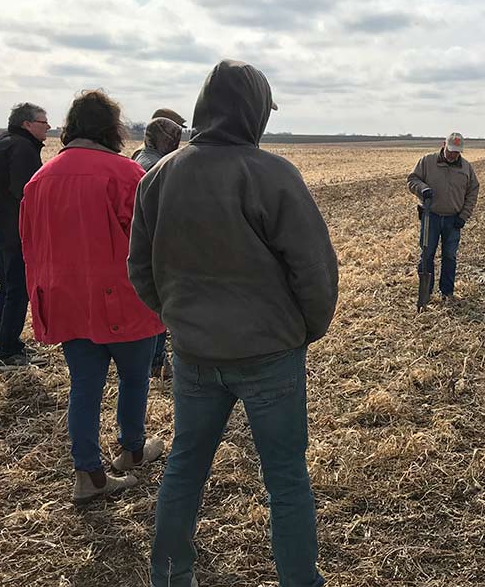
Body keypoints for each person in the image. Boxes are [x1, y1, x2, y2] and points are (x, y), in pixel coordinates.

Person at [129, 60, 338, 587]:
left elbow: (140, 268)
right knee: (286, 479)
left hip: (194, 356)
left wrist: (177, 320)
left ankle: (171, 576)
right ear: (252, 114)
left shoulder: (159, 176)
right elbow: (315, 271)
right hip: (270, 356)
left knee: (184, 468)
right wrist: (303, 331)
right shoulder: (272, 174)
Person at [19, 90, 166, 504]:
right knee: (134, 379)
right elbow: (149, 243)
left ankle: (89, 474)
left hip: (68, 301)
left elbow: (31, 245)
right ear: (112, 129)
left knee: (84, 386)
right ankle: (132, 450)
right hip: (124, 299)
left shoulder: (40, 180)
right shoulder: (126, 175)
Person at [0, 103, 50, 370]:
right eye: (44, 122)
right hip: (12, 229)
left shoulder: (3, 142)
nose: (48, 127)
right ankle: (8, 352)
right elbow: (27, 192)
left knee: (8, 288)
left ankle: (2, 343)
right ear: (27, 124)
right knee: (18, 290)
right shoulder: (22, 148)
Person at [133, 117, 184, 379]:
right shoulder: (156, 167)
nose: (177, 142)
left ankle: (156, 360)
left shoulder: (139, 159)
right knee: (155, 312)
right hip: (156, 247)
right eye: (173, 137)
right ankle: (156, 361)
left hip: (147, 245)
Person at [407, 132, 480, 301]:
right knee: (426, 256)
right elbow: (412, 179)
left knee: (449, 257)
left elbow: (473, 192)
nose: (454, 155)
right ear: (444, 145)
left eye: (457, 152)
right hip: (430, 217)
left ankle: (447, 293)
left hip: (453, 220)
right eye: (451, 150)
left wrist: (463, 216)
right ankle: (425, 294)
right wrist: (422, 189)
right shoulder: (427, 161)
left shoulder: (466, 168)